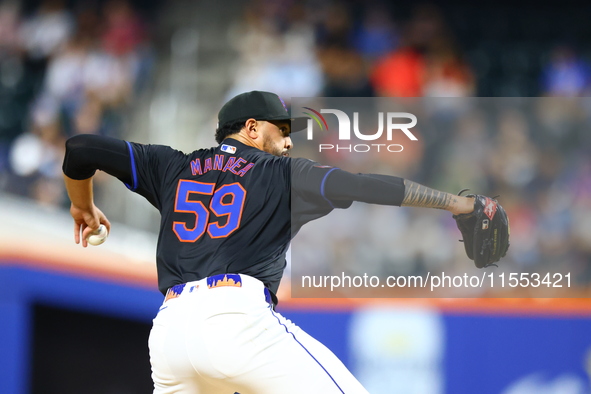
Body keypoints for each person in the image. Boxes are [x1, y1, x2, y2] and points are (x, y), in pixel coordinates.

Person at [62, 90, 476, 393]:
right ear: (252, 128)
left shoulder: (171, 165)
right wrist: (457, 204)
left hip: (169, 333)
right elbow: (368, 185)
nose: (289, 141)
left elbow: (79, 149)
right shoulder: (283, 174)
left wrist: (82, 206)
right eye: (282, 131)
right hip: (235, 319)